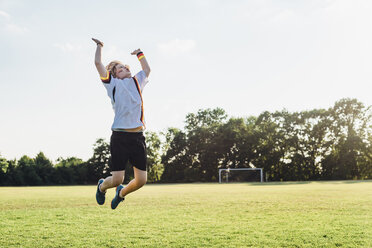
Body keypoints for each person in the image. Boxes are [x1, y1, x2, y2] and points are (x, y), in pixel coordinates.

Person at [92, 38, 151, 209]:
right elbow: (97, 63)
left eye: (125, 67)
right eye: (120, 68)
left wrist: (140, 53)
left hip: (138, 137)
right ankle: (102, 186)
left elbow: (147, 69)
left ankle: (121, 193)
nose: (124, 68)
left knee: (141, 181)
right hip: (120, 137)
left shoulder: (137, 81)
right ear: (114, 73)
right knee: (117, 178)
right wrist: (99, 46)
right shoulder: (112, 84)